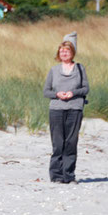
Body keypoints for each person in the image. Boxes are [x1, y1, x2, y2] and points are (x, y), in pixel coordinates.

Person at [43, 32, 89, 184]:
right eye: (61, 51)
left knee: (70, 142)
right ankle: (56, 175)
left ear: (72, 53)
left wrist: (73, 93)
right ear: (58, 53)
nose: (64, 53)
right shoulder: (54, 70)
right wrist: (57, 94)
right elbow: (46, 91)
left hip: (75, 109)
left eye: (67, 51)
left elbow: (85, 89)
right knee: (57, 143)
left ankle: (69, 175)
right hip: (56, 110)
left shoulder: (80, 69)